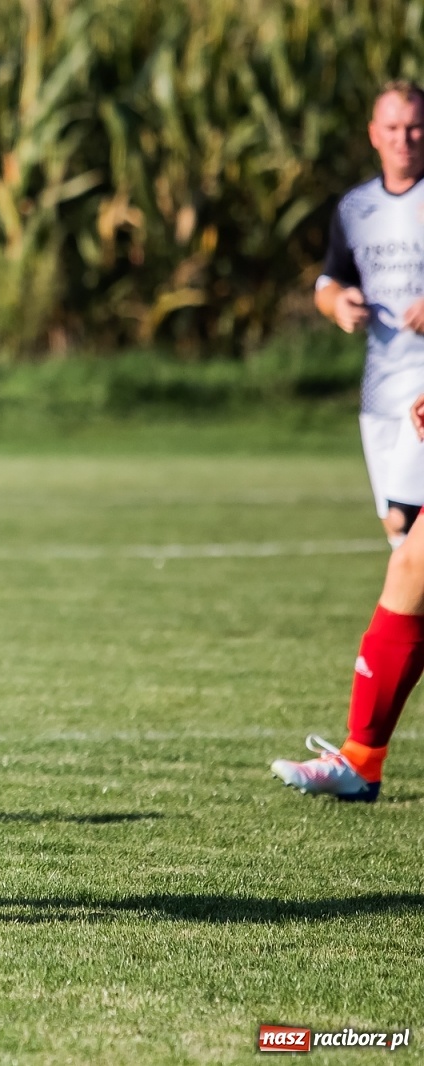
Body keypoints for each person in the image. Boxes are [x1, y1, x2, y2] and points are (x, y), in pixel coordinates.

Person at [272, 82, 424, 801]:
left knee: (411, 561)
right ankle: (361, 758)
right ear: (373, 132)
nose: (405, 139)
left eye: (415, 127)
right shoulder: (357, 208)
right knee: (409, 562)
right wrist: (338, 304)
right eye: (393, 127)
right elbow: (329, 282)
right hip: (391, 395)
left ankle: (362, 758)